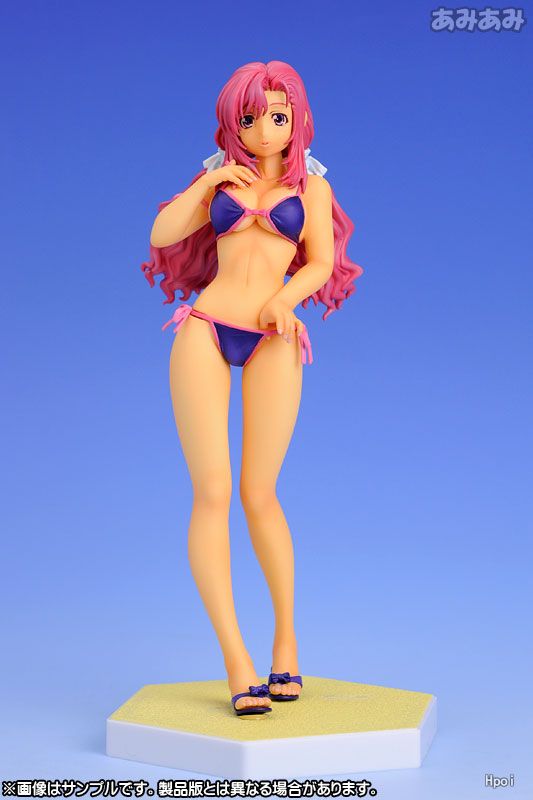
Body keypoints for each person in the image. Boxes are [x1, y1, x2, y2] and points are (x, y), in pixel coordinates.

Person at [141, 60, 363, 717]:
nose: (264, 131)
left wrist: (285, 300)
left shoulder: (312, 188)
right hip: (206, 329)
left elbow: (320, 260)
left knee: (259, 493)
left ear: (298, 119)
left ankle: (285, 642)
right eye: (249, 118)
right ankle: (236, 659)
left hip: (275, 335)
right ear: (231, 122)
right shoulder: (219, 177)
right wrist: (209, 181)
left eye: (277, 116)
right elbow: (161, 234)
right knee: (211, 492)